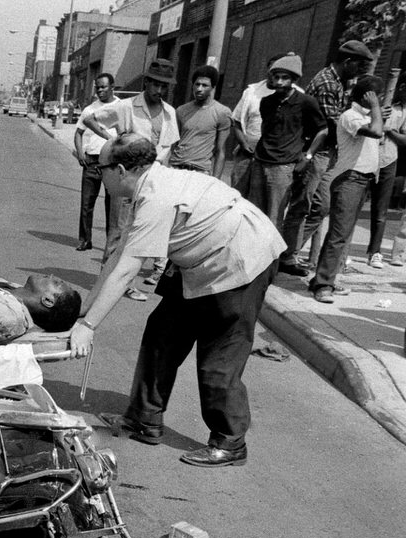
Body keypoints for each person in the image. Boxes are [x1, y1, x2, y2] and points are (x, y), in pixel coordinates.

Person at [69, 134, 284, 468]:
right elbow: (119, 254)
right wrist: (87, 308)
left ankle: (230, 442)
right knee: (163, 333)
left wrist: (88, 326)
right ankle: (144, 418)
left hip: (241, 260)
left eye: (102, 168)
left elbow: (128, 271)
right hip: (201, 261)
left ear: (122, 169)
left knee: (219, 355)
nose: (99, 174)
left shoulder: (158, 196)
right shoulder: (147, 187)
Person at [84, 58, 180, 299]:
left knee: (142, 231)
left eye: (164, 86)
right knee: (118, 230)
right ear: (146, 82)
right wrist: (113, 141)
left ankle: (125, 281)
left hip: (154, 180)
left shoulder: (170, 112)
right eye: (155, 84)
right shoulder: (126, 107)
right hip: (128, 178)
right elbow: (90, 119)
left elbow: (169, 147)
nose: (159, 90)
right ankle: (106, 282)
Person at [277, 40, 374, 274]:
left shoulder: (339, 82)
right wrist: (363, 121)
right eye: (359, 66)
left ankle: (288, 252)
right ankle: (285, 257)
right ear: (348, 62)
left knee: (321, 207)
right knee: (302, 206)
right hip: (316, 151)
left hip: (328, 153)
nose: (361, 72)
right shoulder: (327, 83)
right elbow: (334, 123)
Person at [310, 76, 385, 303]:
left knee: (341, 234)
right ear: (368, 97)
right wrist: (375, 108)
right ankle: (323, 284)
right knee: (338, 235)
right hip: (349, 179)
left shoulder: (366, 116)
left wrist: (375, 111)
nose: (379, 101)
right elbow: (377, 132)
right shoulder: (350, 116)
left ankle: (324, 279)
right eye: (377, 97)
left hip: (362, 180)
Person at [249, 54, 327, 241]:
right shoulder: (266, 102)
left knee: (274, 219)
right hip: (260, 162)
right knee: (253, 216)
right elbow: (267, 129)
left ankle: (269, 267)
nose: (279, 82)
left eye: (284, 78)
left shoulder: (306, 102)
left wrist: (307, 157)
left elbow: (322, 131)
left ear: (294, 80)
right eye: (276, 77)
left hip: (283, 167)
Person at [231, 54, 304, 199]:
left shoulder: (298, 96)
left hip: (276, 158)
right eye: (272, 70)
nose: (275, 76)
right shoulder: (252, 92)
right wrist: (244, 143)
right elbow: (236, 121)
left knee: (265, 200)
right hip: (248, 151)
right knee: (238, 196)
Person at [73, 73, 121, 252]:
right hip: (92, 161)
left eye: (103, 87)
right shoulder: (89, 109)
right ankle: (85, 240)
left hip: (112, 161)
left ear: (112, 87)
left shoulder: (121, 107)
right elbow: (78, 132)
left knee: (112, 205)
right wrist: (80, 153)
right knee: (86, 203)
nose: (100, 90)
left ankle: (111, 243)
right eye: (97, 87)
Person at [365, 72, 406, 269]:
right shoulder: (380, 103)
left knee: (380, 211)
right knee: (354, 208)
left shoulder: (403, 112)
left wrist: (388, 129)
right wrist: (377, 114)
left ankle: (375, 252)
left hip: (389, 160)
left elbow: (404, 140)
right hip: (367, 159)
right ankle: (343, 254)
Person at [168, 65, 231, 178]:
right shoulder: (181, 110)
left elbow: (220, 151)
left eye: (204, 85)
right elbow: (173, 143)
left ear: (213, 87)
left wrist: (215, 181)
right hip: (176, 168)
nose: (199, 89)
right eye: (197, 84)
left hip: (200, 172)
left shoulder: (222, 112)